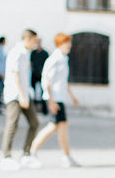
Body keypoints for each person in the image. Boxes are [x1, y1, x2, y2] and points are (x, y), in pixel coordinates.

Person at [30, 33, 81, 167]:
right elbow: (47, 81)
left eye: (69, 42)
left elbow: (64, 81)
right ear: (59, 44)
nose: (69, 45)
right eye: (66, 42)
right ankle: (32, 151)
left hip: (60, 98)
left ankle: (66, 156)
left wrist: (73, 97)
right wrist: (51, 101)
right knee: (53, 127)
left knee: (61, 127)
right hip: (55, 99)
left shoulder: (64, 58)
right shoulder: (55, 59)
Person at [0, 29, 41, 170]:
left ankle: (26, 154)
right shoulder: (16, 53)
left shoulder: (26, 53)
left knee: (34, 123)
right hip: (15, 95)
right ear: (27, 39)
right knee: (12, 124)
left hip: (25, 95)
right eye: (34, 41)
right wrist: (22, 96)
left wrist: (27, 94)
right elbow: (15, 75)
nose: (35, 44)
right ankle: (6, 157)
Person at [30, 39, 49, 115]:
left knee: (43, 91)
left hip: (42, 75)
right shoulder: (33, 53)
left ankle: (44, 109)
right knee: (33, 92)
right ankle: (33, 109)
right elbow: (31, 62)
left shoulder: (45, 53)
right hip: (34, 74)